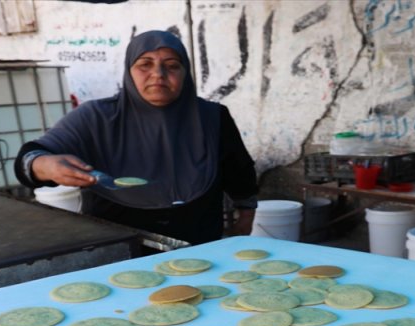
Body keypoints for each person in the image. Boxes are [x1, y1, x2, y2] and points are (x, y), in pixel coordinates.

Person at [15, 30, 258, 245]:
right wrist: (44, 166)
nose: (158, 74)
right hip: (118, 246)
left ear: (185, 73)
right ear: (129, 71)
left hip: (198, 245)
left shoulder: (212, 116)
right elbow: (31, 156)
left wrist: (245, 218)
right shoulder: (95, 117)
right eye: (145, 64)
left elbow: (240, 173)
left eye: (172, 65)